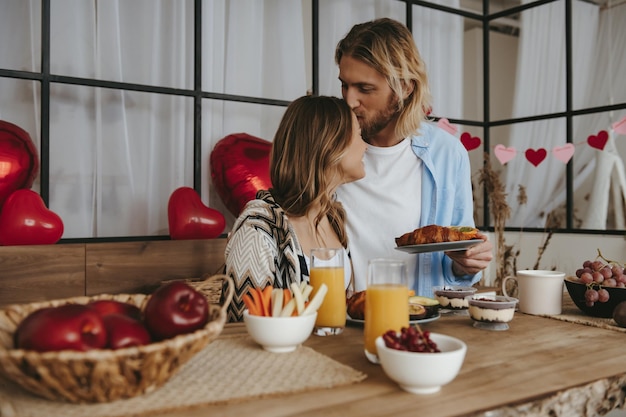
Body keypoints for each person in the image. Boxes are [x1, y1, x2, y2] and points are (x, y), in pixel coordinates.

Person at [334, 17, 493, 297]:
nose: (349, 100)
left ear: (404, 88)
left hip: (419, 321)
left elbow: (457, 272)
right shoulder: (331, 149)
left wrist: (467, 264)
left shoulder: (447, 154)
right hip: (343, 323)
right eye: (345, 85)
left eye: (365, 88)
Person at [223, 95, 367, 322]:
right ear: (331, 145)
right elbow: (241, 330)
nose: (365, 145)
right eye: (359, 134)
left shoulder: (333, 217)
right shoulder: (258, 229)